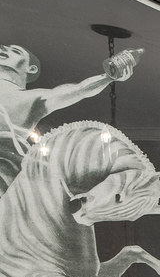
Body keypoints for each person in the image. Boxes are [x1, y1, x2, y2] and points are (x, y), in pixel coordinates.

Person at [0, 43, 143, 187]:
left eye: (16, 51)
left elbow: (80, 90)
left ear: (31, 68)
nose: (4, 49)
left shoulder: (34, 98)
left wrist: (108, 77)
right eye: (4, 47)